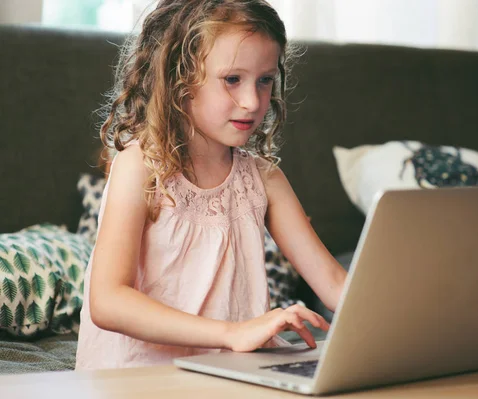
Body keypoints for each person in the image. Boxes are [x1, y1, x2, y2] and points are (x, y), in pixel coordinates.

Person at [75, 0, 347, 370]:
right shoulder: (139, 167)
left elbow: (332, 281)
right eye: (232, 79)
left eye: (265, 80)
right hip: (138, 378)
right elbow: (108, 301)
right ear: (179, 79)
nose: (252, 102)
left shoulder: (265, 179)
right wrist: (231, 333)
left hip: (230, 375)